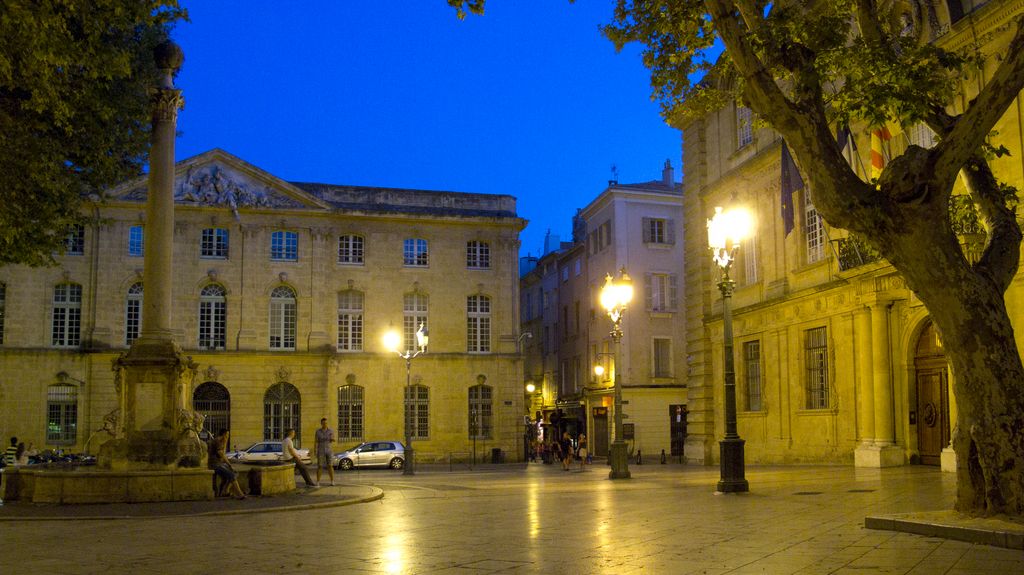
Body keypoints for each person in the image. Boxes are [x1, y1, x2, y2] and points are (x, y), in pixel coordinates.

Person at [207, 429, 246, 499]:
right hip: (215, 464)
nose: (228, 436)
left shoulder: (221, 442)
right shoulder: (217, 441)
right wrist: (229, 464)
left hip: (219, 463)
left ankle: (225, 491)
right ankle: (240, 494)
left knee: (235, 473)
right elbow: (221, 454)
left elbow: (223, 453)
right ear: (224, 434)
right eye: (227, 434)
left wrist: (225, 443)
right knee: (231, 475)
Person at [313, 417, 335, 486]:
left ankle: (332, 481)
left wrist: (332, 439)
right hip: (321, 450)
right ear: (321, 424)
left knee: (330, 465)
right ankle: (318, 481)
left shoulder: (331, 431)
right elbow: (316, 441)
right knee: (320, 466)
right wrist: (315, 450)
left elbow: (333, 439)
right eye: (323, 423)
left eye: (326, 423)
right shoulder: (318, 431)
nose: (325, 424)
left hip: (329, 450)